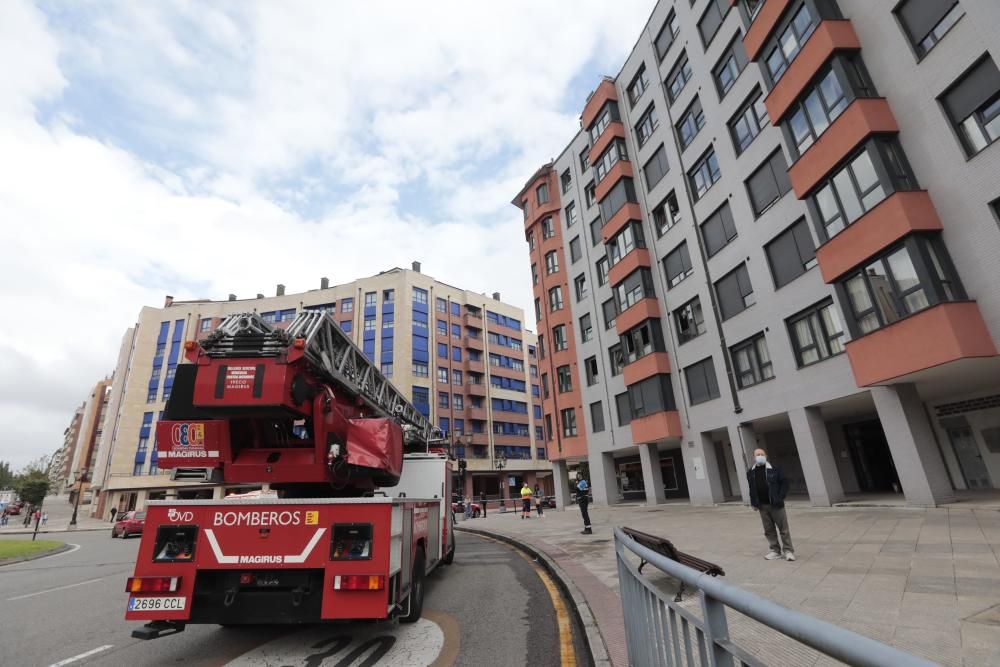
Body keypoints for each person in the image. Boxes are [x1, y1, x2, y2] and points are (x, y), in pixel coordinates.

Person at [747, 447, 795, 561]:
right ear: (754, 457)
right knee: (769, 530)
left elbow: (785, 483)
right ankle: (775, 551)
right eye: (757, 454)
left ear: (766, 456)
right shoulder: (750, 472)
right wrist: (754, 502)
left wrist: (780, 497)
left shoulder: (775, 469)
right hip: (762, 506)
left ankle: (788, 551)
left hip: (776, 505)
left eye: (762, 454)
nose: (760, 456)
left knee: (783, 529)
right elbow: (752, 488)